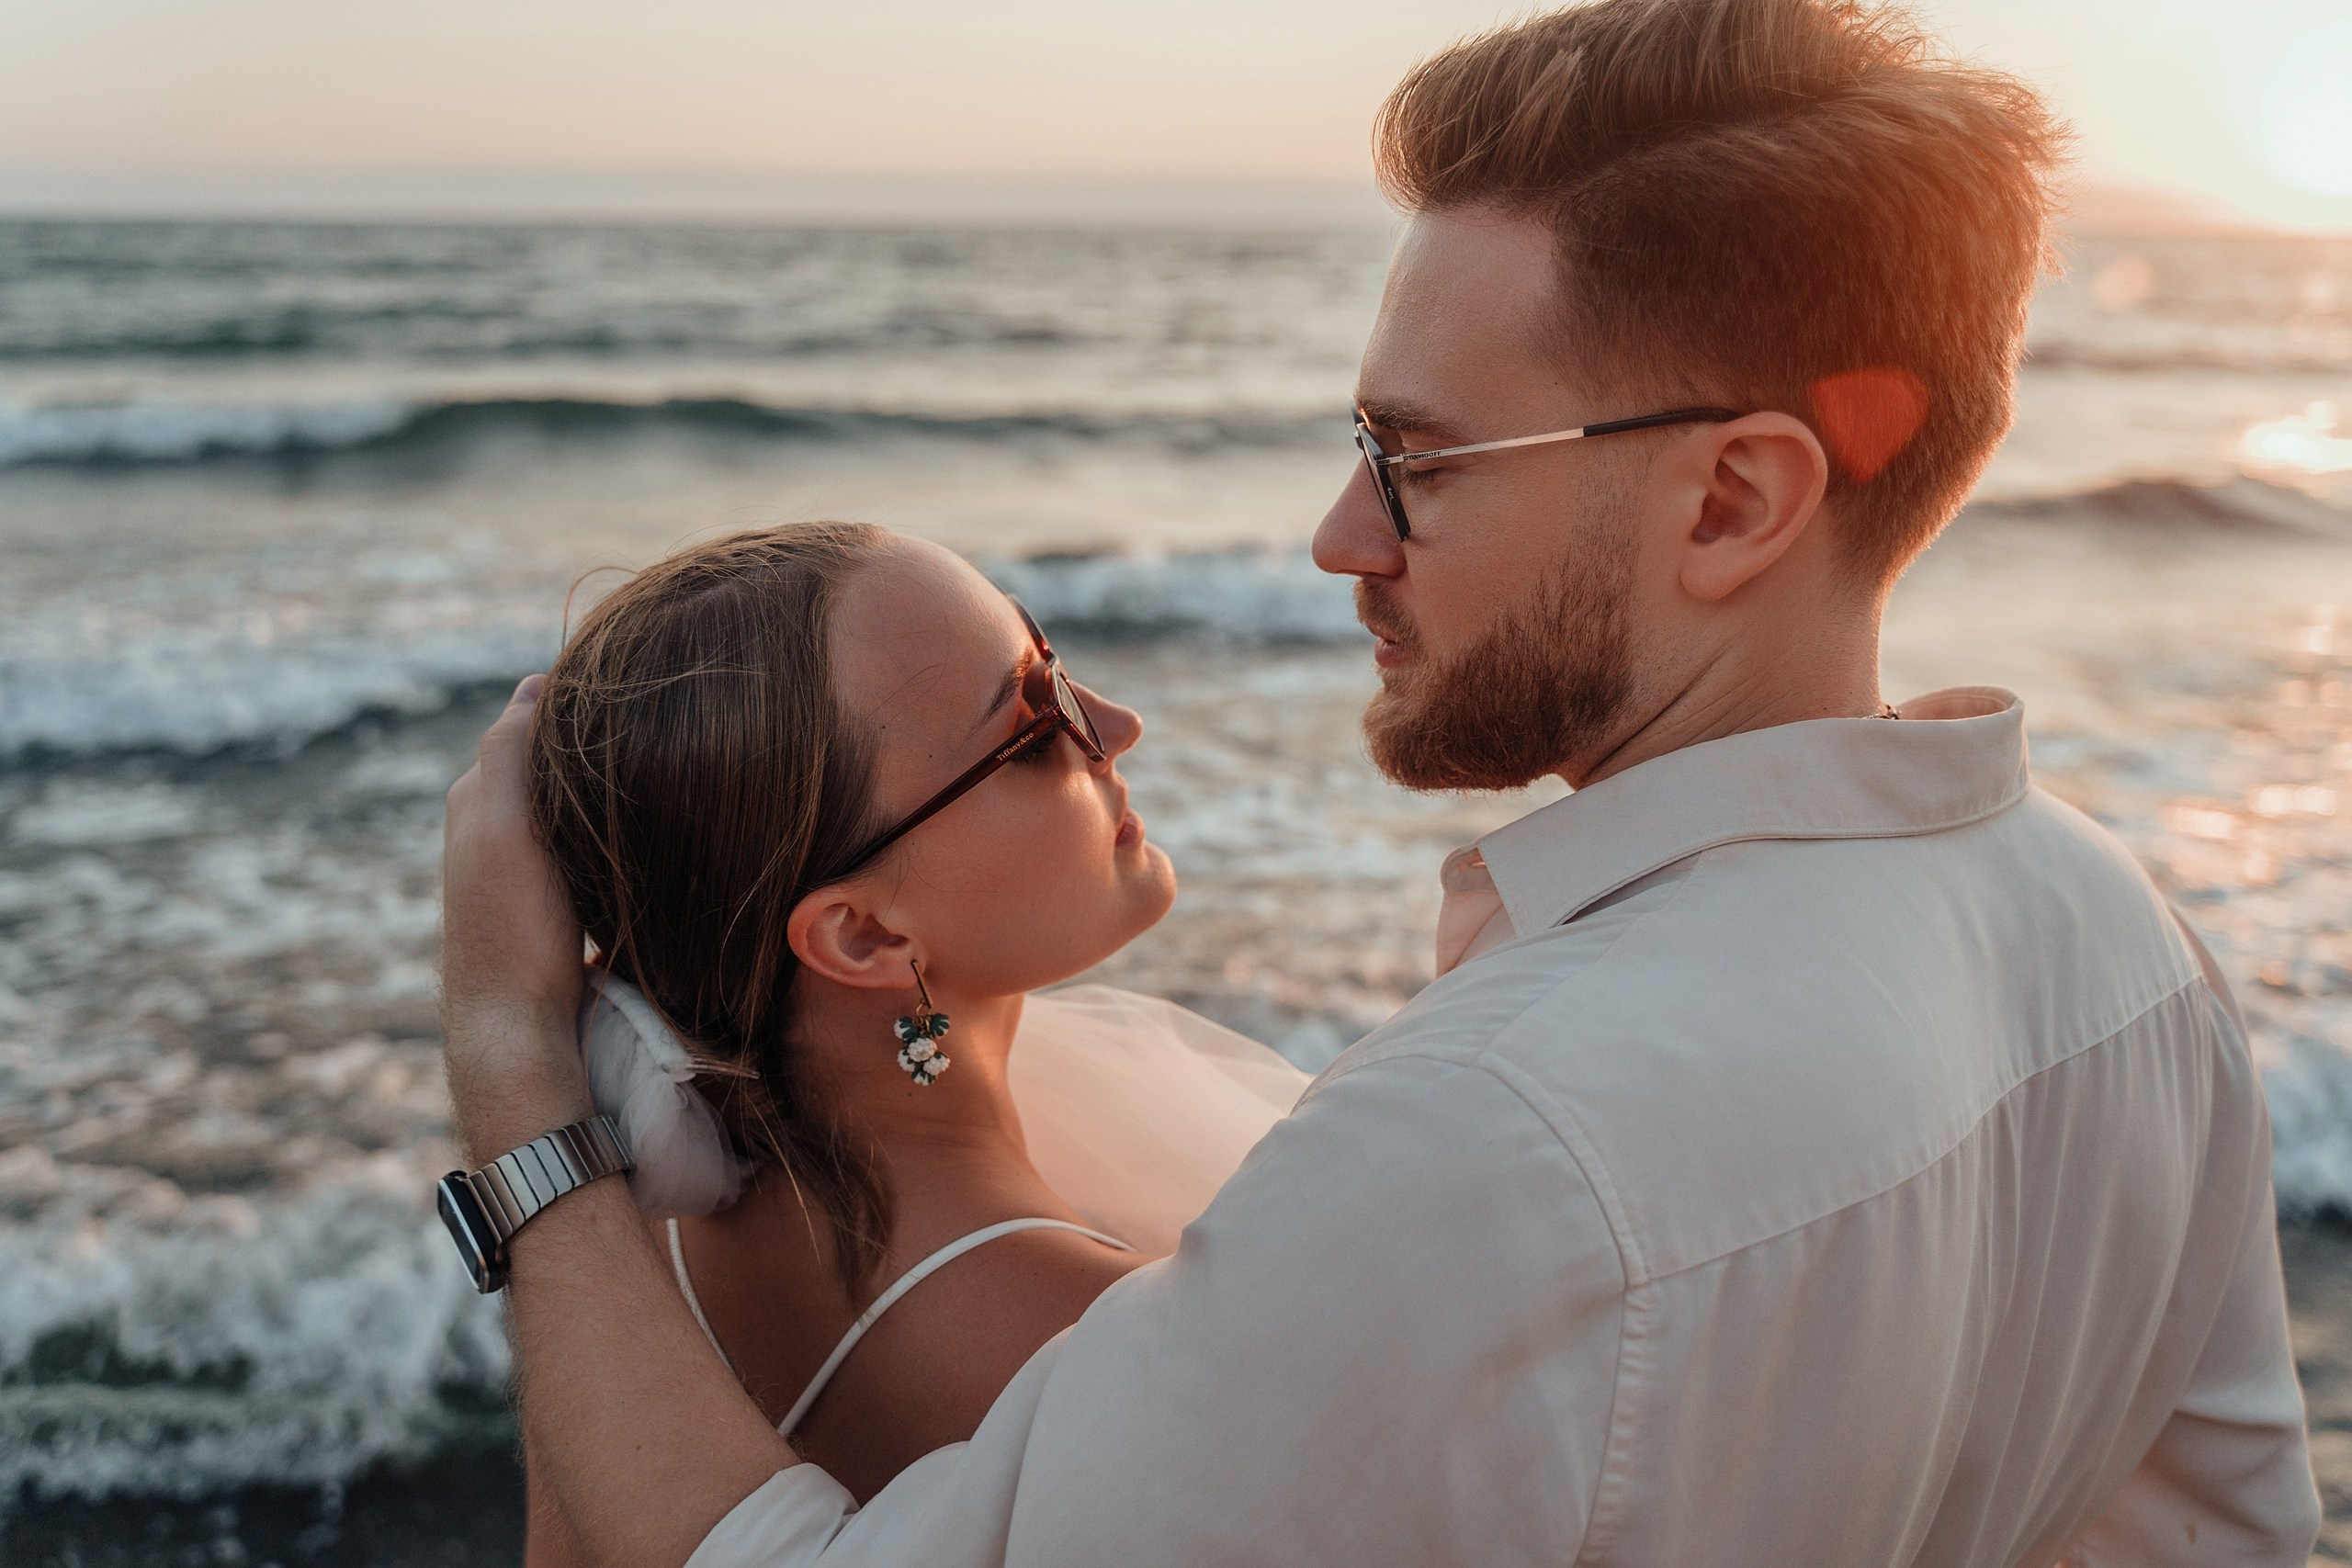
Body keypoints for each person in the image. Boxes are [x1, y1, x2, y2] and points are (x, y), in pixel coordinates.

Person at [439, 0, 2324, 1562]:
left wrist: (512, 1069)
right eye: (1358, 440)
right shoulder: (2131, 956)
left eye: (1417, 457)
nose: (1342, 533)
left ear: (1732, 498)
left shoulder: (1482, 1157)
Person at [498, 524, 1308, 1558]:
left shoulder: (612, 1257)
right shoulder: (1096, 1332)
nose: (1113, 722)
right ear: (864, 933)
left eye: (1051, 663)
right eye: (1030, 729)